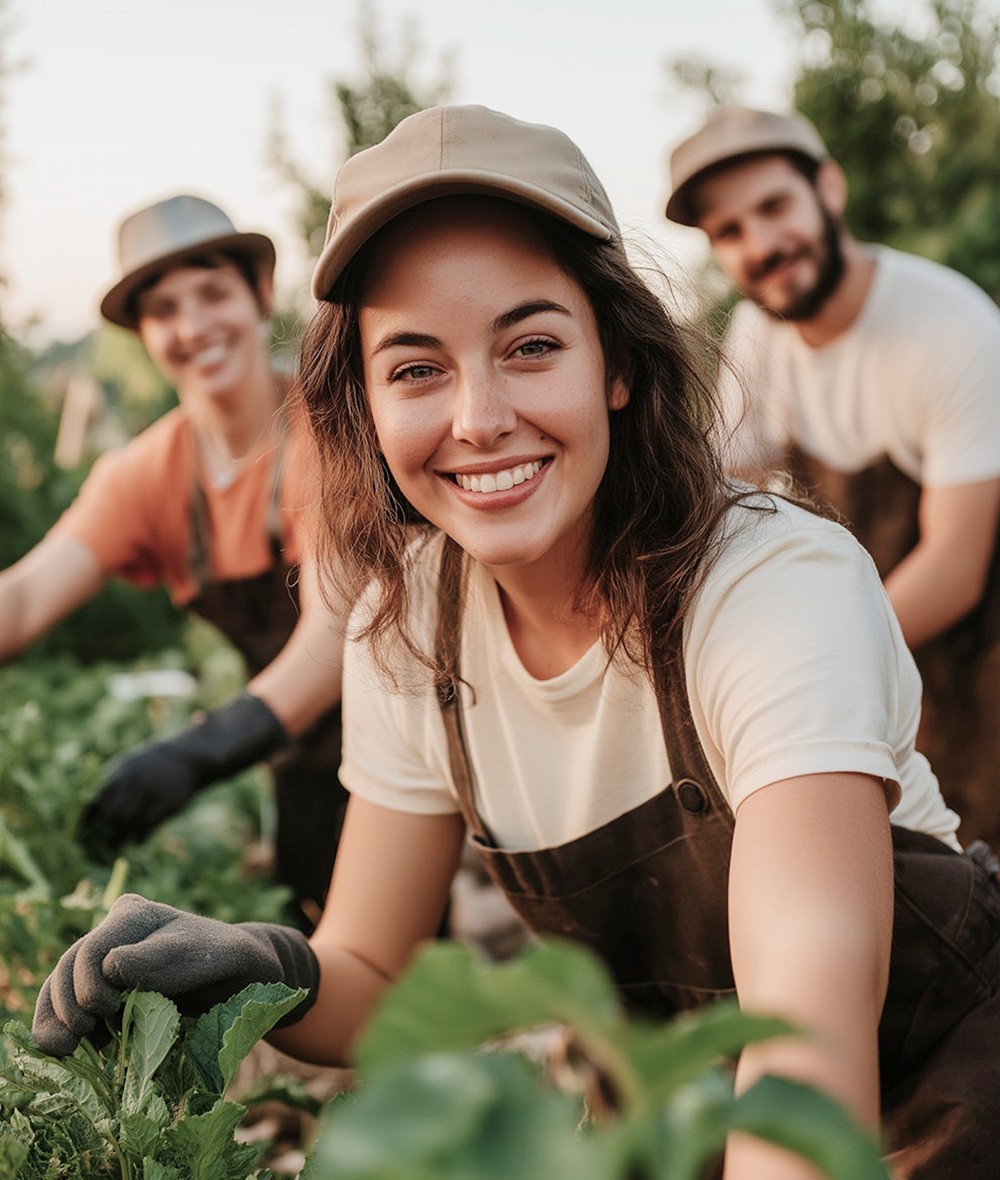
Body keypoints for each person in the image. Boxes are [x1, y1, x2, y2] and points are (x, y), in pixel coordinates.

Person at [31, 107, 1000, 1179]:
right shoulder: (411, 624)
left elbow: (798, 1053)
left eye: (530, 346)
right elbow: (372, 975)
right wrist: (259, 963)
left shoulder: (770, 588)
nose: (479, 418)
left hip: (928, 1099)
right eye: (416, 368)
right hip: (676, 1110)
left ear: (616, 363)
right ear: (363, 403)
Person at [1, 194, 349, 921]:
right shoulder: (147, 474)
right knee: (311, 921)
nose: (193, 328)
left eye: (213, 293)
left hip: (411, 724)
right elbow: (26, 598)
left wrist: (195, 753)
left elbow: (335, 631)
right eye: (163, 310)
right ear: (143, 334)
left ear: (259, 293)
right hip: (297, 746)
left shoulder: (325, 433)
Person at [664, 105, 1000, 851]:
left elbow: (955, 566)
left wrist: (814, 658)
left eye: (774, 206)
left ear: (831, 189)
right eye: (730, 231)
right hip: (871, 670)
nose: (762, 245)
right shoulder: (757, 336)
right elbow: (725, 500)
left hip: (975, 675)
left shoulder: (952, 326)